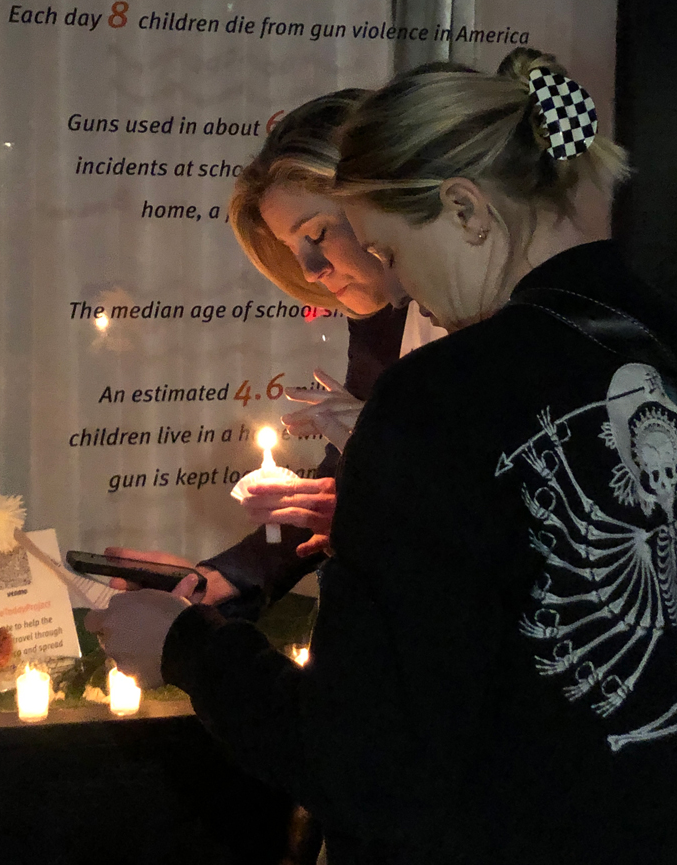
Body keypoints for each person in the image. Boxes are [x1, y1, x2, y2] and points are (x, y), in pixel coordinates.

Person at [87, 49, 677, 864]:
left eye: (390, 252)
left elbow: (363, 759)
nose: (401, 291)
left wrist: (190, 647)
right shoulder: (656, 335)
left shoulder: (442, 395)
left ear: (467, 210)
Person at [106, 90, 442, 616]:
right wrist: (217, 579)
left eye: (318, 233)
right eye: (292, 250)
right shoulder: (379, 321)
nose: (309, 271)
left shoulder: (506, 325)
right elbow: (351, 483)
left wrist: (383, 466)